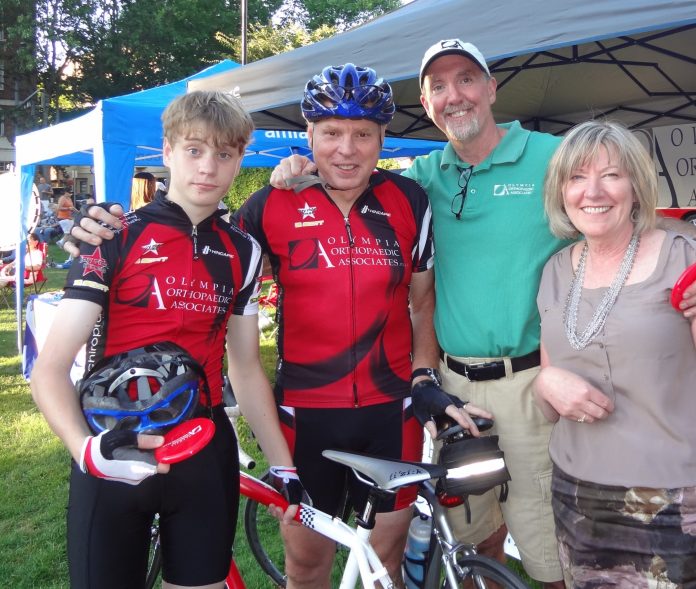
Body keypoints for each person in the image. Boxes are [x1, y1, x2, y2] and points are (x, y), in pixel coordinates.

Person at [265, 40, 696, 588]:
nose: (455, 96)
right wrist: (298, 165)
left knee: (549, 553)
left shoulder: (550, 158)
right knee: (470, 542)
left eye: (467, 79)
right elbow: (347, 170)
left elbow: (628, 207)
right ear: (425, 102)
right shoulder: (418, 177)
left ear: (492, 88)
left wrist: (688, 263)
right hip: (452, 388)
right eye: (438, 86)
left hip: (535, 383)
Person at [63, 63, 490, 589]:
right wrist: (99, 229)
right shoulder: (270, 205)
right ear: (308, 136)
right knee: (307, 566)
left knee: (385, 561)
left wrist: (423, 376)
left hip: (390, 410)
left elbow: (422, 305)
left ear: (383, 137)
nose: (347, 150)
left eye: (363, 135)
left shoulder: (410, 202)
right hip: (303, 415)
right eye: (331, 133)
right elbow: (198, 247)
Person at [30, 90, 296, 589]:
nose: (208, 167)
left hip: (202, 450)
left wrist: (283, 466)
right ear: (168, 150)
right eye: (195, 150)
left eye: (224, 154)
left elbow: (244, 368)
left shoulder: (243, 250)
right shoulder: (113, 235)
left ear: (240, 160)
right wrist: (86, 450)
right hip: (113, 443)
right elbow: (49, 367)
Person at [533, 119, 696, 587]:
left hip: (672, 501)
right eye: (577, 177)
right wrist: (546, 382)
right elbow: (549, 394)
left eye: (611, 174)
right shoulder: (555, 271)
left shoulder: (683, 259)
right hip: (578, 493)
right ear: (561, 192)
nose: (593, 191)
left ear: (636, 186)